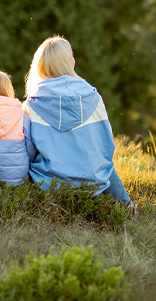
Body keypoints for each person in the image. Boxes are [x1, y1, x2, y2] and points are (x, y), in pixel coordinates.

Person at [22, 37, 132, 205]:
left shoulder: (31, 105)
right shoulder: (93, 96)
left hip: (49, 185)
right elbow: (105, 144)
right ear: (69, 63)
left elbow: (28, 152)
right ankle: (128, 205)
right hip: (93, 184)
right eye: (71, 56)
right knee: (106, 165)